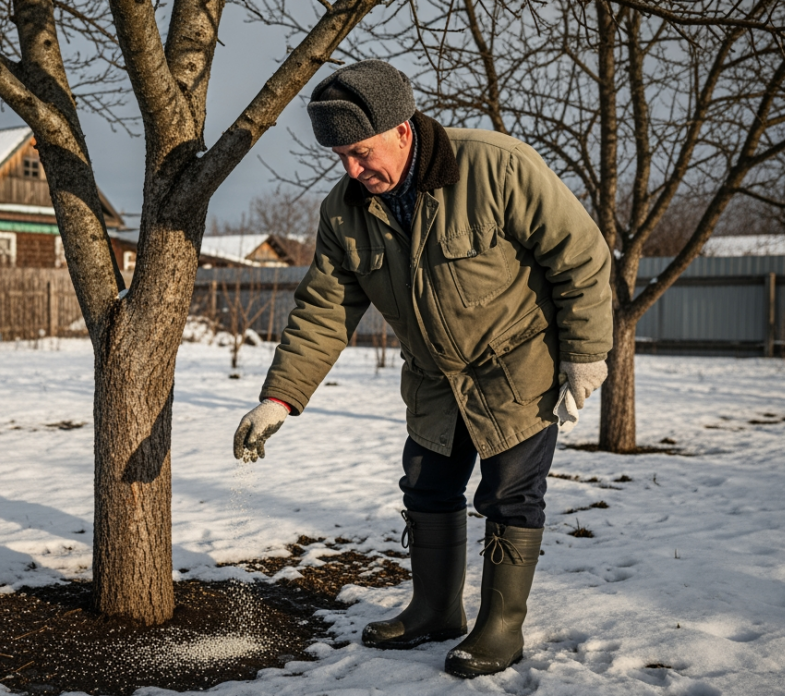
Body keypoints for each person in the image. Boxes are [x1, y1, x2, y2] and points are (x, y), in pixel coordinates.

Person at [232, 60, 612, 678]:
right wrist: (279, 399)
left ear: (403, 129)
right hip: (435, 377)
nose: (352, 170)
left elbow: (581, 257)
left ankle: (501, 626)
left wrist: (585, 352)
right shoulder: (344, 212)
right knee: (427, 486)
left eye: (360, 151)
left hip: (517, 367)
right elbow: (324, 310)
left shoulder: (495, 167)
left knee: (510, 495)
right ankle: (436, 609)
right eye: (339, 157)